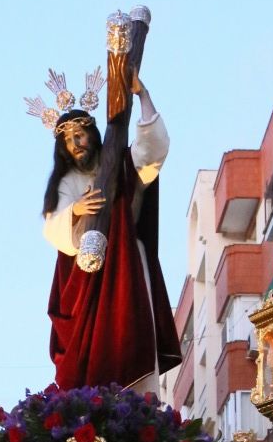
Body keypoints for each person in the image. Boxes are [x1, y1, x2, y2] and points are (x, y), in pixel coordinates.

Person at [41, 83, 181, 392]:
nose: (76, 143)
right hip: (86, 278)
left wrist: (143, 95)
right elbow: (54, 228)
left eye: (79, 134)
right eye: (68, 140)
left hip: (128, 265)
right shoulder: (67, 183)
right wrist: (76, 211)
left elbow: (151, 152)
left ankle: (136, 412)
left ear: (92, 134)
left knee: (129, 337)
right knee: (90, 358)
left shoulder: (121, 165)